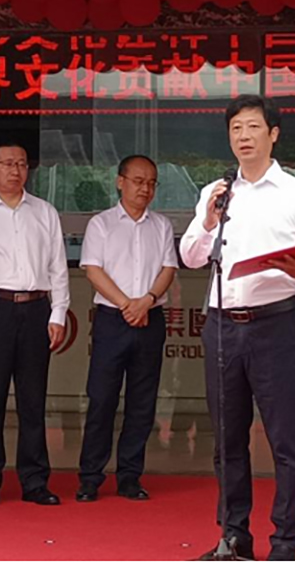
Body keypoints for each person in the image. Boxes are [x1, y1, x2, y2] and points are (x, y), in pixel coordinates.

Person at [180, 95, 295, 561]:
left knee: (286, 439)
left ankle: (285, 541)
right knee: (228, 439)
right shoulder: (216, 192)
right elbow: (190, 256)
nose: (243, 136)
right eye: (236, 129)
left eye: (252, 127)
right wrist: (208, 220)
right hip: (222, 326)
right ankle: (233, 537)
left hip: (274, 325)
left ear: (273, 134)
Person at [0, 140, 70, 507]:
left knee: (33, 400)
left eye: (22, 164)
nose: (15, 170)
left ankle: (35, 481)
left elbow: (58, 267)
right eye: (7, 163)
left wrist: (58, 313)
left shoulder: (44, 211)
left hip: (36, 308)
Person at [75, 155, 178, 502]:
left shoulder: (161, 225)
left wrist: (146, 301)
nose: (145, 189)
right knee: (101, 398)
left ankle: (130, 476)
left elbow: (168, 269)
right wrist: (127, 305)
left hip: (150, 318)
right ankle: (90, 477)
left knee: (142, 401)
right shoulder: (101, 224)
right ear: (120, 182)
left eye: (151, 183)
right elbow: (93, 270)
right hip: (111, 319)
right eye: (138, 181)